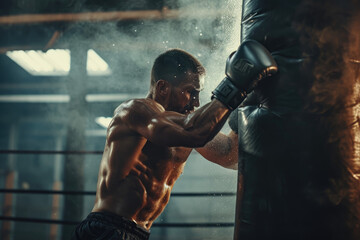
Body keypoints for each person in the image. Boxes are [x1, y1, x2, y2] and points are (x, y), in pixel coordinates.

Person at [71, 40, 277, 240]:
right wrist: (234, 85)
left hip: (138, 233)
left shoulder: (184, 127)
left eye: (198, 94)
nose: (196, 102)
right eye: (190, 92)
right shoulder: (134, 111)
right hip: (107, 229)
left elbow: (229, 154)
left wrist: (248, 104)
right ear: (162, 88)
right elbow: (195, 130)